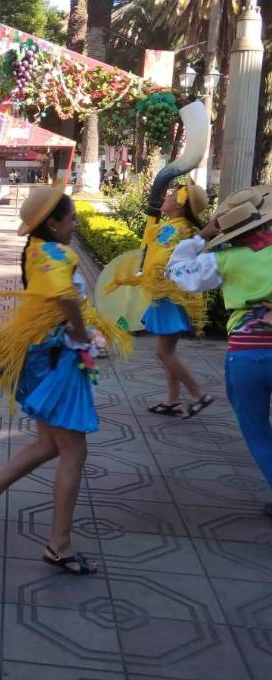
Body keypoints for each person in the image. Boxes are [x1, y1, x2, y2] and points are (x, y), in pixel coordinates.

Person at [0, 182, 131, 573]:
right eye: (71, 218)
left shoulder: (38, 249)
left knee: (48, 444)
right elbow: (67, 298)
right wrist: (79, 333)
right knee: (74, 451)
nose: (75, 224)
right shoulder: (55, 253)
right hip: (56, 360)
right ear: (54, 224)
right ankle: (59, 545)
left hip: (40, 357)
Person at [166, 185, 272, 520]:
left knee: (257, 428)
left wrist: (202, 237)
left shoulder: (222, 259)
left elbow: (176, 272)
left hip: (248, 355)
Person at [109, 178, 213, 418]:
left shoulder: (172, 229)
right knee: (168, 351)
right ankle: (173, 401)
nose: (165, 197)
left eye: (171, 196)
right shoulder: (186, 227)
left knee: (164, 353)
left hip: (166, 297)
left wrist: (141, 277)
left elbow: (160, 261)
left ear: (179, 205)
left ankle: (198, 394)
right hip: (173, 295)